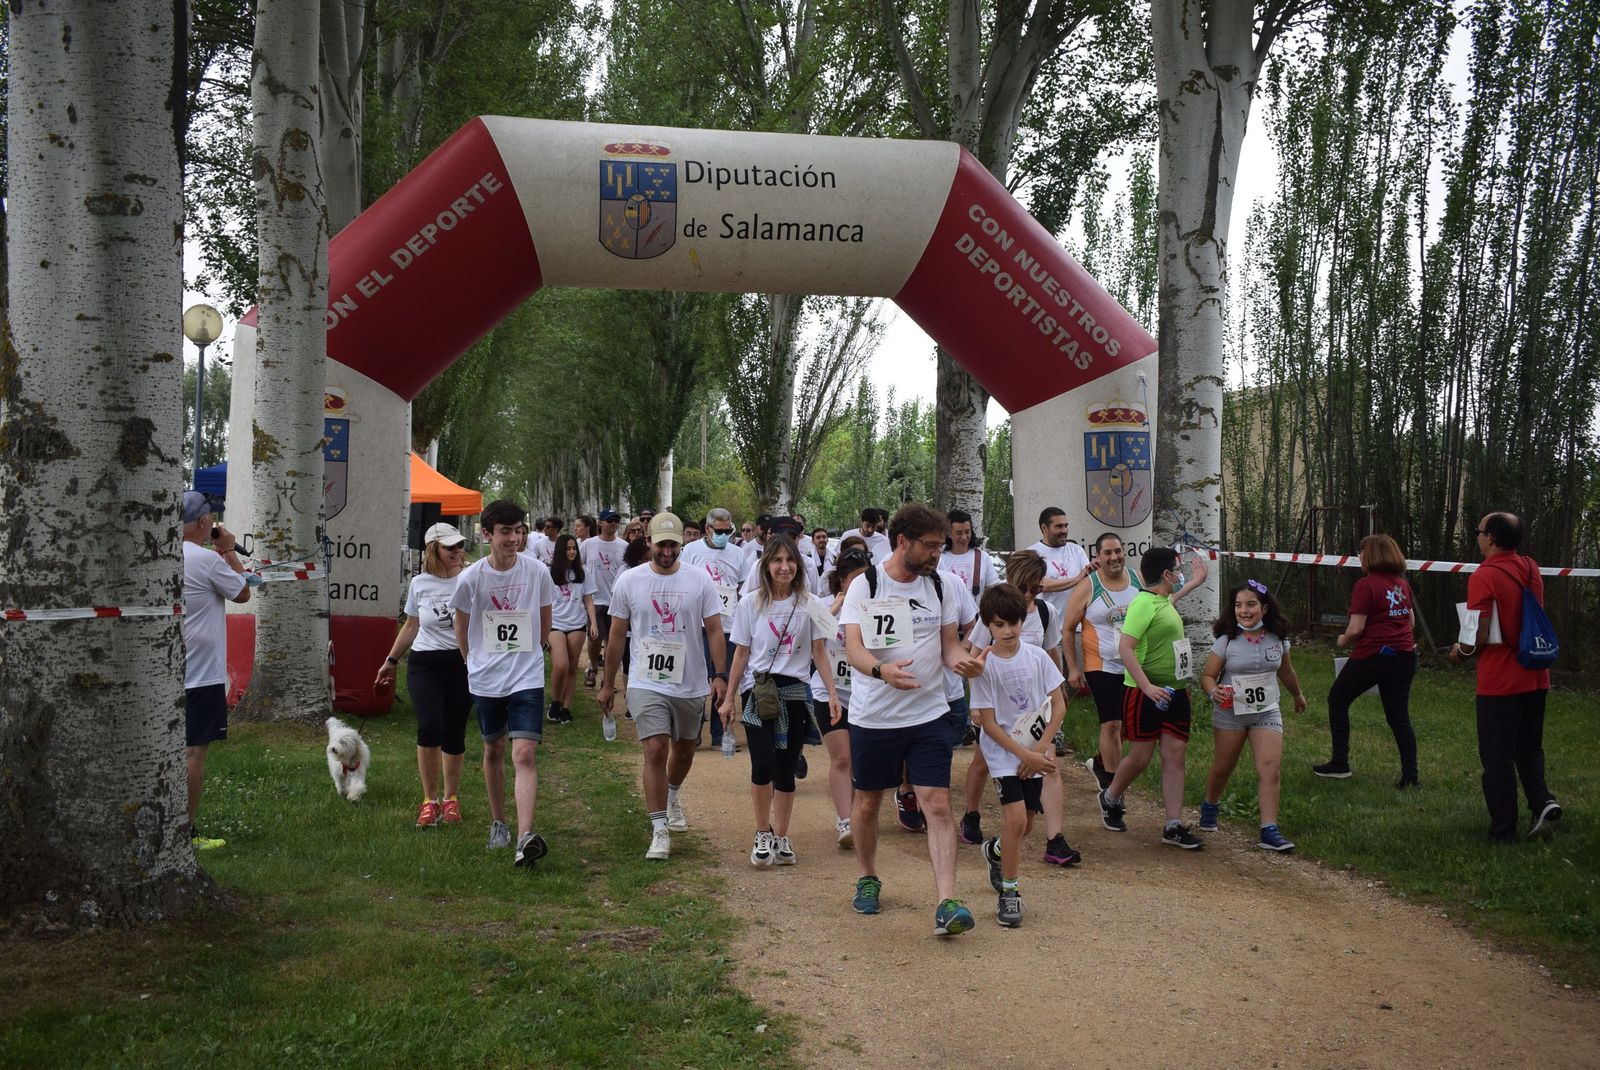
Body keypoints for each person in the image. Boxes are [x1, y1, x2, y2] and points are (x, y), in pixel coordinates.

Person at [841, 503, 986, 936]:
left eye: (941, 548)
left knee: (937, 805)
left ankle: (947, 901)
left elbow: (950, 646)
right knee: (867, 802)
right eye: (930, 547)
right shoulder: (865, 586)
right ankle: (868, 877)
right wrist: (880, 670)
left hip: (929, 715)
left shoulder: (942, 586)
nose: (937, 556)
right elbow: (853, 647)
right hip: (875, 716)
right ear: (902, 541)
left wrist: (966, 664)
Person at [600, 512, 728, 860]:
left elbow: (715, 629)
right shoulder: (630, 581)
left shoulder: (699, 581)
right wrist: (608, 683)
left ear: (681, 546)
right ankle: (659, 829)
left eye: (673, 545)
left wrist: (720, 675)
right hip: (646, 680)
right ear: (649, 543)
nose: (667, 551)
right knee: (656, 748)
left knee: (685, 750)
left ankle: (672, 794)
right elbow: (616, 635)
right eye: (662, 545)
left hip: (689, 682)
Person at [720, 536, 842, 867]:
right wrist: (728, 698)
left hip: (795, 691)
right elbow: (741, 653)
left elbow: (820, 651)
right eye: (777, 561)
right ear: (766, 566)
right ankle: (762, 831)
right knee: (761, 765)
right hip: (758, 691)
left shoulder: (810, 603)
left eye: (790, 561)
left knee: (787, 769)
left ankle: (781, 834)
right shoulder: (749, 603)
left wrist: (831, 693)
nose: (784, 567)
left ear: (799, 567)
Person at [450, 500, 555, 867]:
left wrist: (531, 653)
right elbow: (461, 626)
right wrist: (471, 661)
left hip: (525, 674)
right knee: (493, 749)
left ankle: (525, 836)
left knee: (524, 753)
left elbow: (545, 621)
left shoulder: (538, 572)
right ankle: (499, 823)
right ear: (488, 534)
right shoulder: (471, 578)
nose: (515, 538)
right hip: (486, 677)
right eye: (507, 531)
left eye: (519, 530)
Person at [958, 550, 1078, 864]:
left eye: (1035, 588)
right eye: (1024, 587)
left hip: (1035, 714)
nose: (1029, 594)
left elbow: (1051, 655)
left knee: (1043, 773)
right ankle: (971, 815)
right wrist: (976, 702)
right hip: (997, 709)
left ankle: (1053, 839)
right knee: (983, 764)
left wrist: (1056, 691)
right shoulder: (996, 610)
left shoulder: (1046, 612)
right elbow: (976, 659)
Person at [1450, 512, 1562, 842]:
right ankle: (1542, 802)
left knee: (1497, 756)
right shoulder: (1530, 567)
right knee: (1529, 746)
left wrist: (1459, 652)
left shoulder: (1484, 575)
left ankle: (1503, 830)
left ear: (1492, 539)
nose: (1477, 536)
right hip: (1536, 673)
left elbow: (1478, 635)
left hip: (1500, 680)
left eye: (1479, 531)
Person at [969, 584, 1067, 928]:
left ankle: (995, 851)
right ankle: (1009, 893)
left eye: (1013, 623)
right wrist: (1022, 753)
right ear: (988, 626)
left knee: (1026, 824)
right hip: (1003, 755)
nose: (1008, 631)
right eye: (999, 625)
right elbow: (990, 725)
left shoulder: (1037, 657)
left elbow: (1059, 704)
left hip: (1034, 751)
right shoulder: (983, 667)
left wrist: (1038, 751)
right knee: (1015, 820)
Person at [1097, 547, 1204, 849]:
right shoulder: (1142, 604)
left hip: (1176, 692)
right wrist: (1146, 687)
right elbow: (1126, 649)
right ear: (1166, 574)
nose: (1180, 573)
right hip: (1144, 692)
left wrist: (1195, 582)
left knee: (1175, 756)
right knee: (1141, 758)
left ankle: (1172, 825)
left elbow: (1170, 601)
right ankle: (1111, 796)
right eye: (1178, 569)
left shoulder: (1160, 600)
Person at [1197, 581, 1307, 851]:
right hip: (1231, 713)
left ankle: (1269, 829)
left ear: (1264, 608)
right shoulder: (1226, 641)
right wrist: (1214, 693)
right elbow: (1208, 676)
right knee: (1223, 768)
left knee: (1270, 768)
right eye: (1238, 605)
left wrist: (1297, 694)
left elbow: (1286, 671)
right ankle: (1210, 805)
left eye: (1250, 605)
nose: (1244, 611)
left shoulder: (1278, 639)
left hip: (1266, 711)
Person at [376, 522, 472, 828]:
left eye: (460, 546)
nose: (458, 551)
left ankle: (451, 799)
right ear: (434, 550)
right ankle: (429, 801)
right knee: (430, 726)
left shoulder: (470, 579)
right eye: (450, 547)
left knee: (455, 730)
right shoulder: (420, 583)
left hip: (462, 663)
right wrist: (390, 660)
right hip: (425, 663)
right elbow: (411, 625)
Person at [1314, 534, 1419, 786]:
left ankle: (1340, 762)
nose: (1358, 557)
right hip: (1405, 656)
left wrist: (1342, 639)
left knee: (1337, 699)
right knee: (1399, 717)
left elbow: (1356, 628)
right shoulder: (1401, 584)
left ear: (1371, 555)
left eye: (1361, 552)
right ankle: (1411, 776)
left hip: (1374, 655)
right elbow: (1411, 622)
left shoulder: (1366, 585)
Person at [180, 491, 252, 848]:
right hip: (201, 672)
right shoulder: (206, 560)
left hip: (167, 671)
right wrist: (227, 550)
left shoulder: (161, 557)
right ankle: (186, 832)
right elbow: (243, 592)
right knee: (193, 753)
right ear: (205, 523)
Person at [1065, 534, 1142, 792]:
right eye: (1107, 553)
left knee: (1129, 726)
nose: (1114, 557)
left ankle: (1100, 762)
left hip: (1134, 665)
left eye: (1118, 551)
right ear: (1098, 557)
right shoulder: (1088, 586)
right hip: (1101, 665)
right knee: (1111, 723)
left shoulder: (1136, 579)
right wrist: (1074, 668)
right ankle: (1111, 788)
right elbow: (1067, 629)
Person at [812, 547, 871, 847]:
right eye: (854, 579)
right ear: (842, 581)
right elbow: (808, 639)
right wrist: (835, 608)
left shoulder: (876, 606)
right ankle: (845, 819)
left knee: (861, 762)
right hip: (828, 691)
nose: (860, 584)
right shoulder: (823, 605)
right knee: (842, 757)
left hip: (864, 693)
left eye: (865, 577)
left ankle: (858, 814)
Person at [680, 507, 749, 750]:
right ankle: (692, 732)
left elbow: (744, 587)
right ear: (707, 529)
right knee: (698, 676)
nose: (724, 535)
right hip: (698, 625)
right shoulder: (690, 551)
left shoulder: (739, 554)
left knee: (724, 678)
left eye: (728, 531)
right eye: (719, 531)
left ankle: (720, 734)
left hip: (728, 626)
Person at [546, 533, 598, 728]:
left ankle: (566, 708)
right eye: (568, 548)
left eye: (574, 548)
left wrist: (593, 623)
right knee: (560, 664)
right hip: (555, 625)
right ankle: (556, 702)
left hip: (577, 624)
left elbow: (589, 600)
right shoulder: (549, 573)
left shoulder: (583, 573)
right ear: (560, 550)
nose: (572, 552)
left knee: (571, 667)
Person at [581, 509, 629, 688]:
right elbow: (580, 567)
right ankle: (593, 665)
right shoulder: (588, 544)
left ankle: (607, 678)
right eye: (609, 520)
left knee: (613, 640)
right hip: (595, 600)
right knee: (594, 638)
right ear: (600, 523)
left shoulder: (623, 546)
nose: (613, 524)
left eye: (616, 520)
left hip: (616, 601)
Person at [938, 509, 1000, 597]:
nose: (964, 537)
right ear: (949, 534)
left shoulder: (983, 557)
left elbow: (995, 590)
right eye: (959, 533)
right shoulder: (940, 558)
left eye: (967, 532)